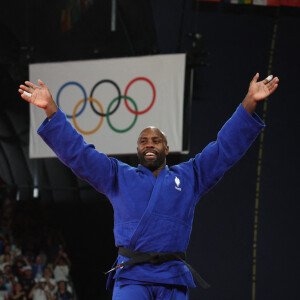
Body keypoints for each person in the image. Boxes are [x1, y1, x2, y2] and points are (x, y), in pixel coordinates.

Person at [19, 73, 279, 300]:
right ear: (137, 149)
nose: (149, 144)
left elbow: (224, 149)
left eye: (156, 140)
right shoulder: (117, 176)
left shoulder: (191, 175)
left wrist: (249, 103)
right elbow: (79, 154)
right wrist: (51, 109)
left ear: (166, 147)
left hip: (173, 276)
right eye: (143, 140)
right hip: (132, 276)